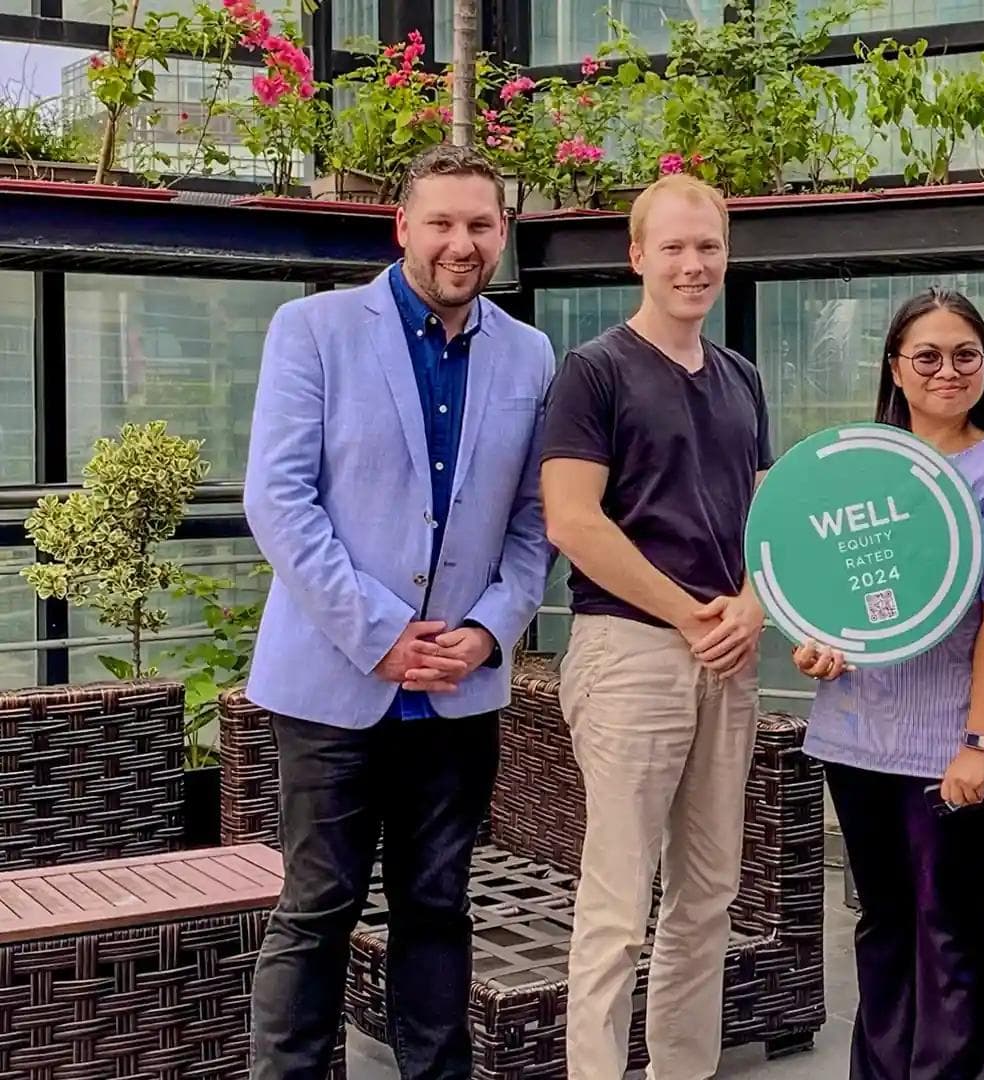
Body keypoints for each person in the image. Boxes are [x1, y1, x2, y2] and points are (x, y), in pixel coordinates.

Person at [243, 144, 554, 1080]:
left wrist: (489, 632)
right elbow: (279, 501)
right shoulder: (314, 329)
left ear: (502, 232)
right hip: (333, 684)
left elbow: (536, 522)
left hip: (458, 692)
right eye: (442, 223)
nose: (462, 243)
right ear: (402, 227)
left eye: (481, 225)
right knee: (318, 908)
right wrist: (379, 637)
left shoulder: (530, 352)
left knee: (438, 905)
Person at [539, 172, 771, 1080]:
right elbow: (572, 520)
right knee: (617, 900)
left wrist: (751, 604)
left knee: (709, 895)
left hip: (727, 653)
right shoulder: (592, 371)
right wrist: (689, 612)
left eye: (708, 246)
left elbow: (767, 519)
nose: (692, 264)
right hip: (631, 650)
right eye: (673, 246)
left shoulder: (742, 378)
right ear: (637, 255)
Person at [793, 288, 984, 1080]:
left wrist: (979, 744)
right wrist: (818, 644)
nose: (948, 371)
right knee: (882, 924)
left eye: (966, 355)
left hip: (950, 743)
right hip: (855, 734)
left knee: (948, 929)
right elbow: (826, 590)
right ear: (896, 368)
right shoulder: (857, 468)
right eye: (928, 356)